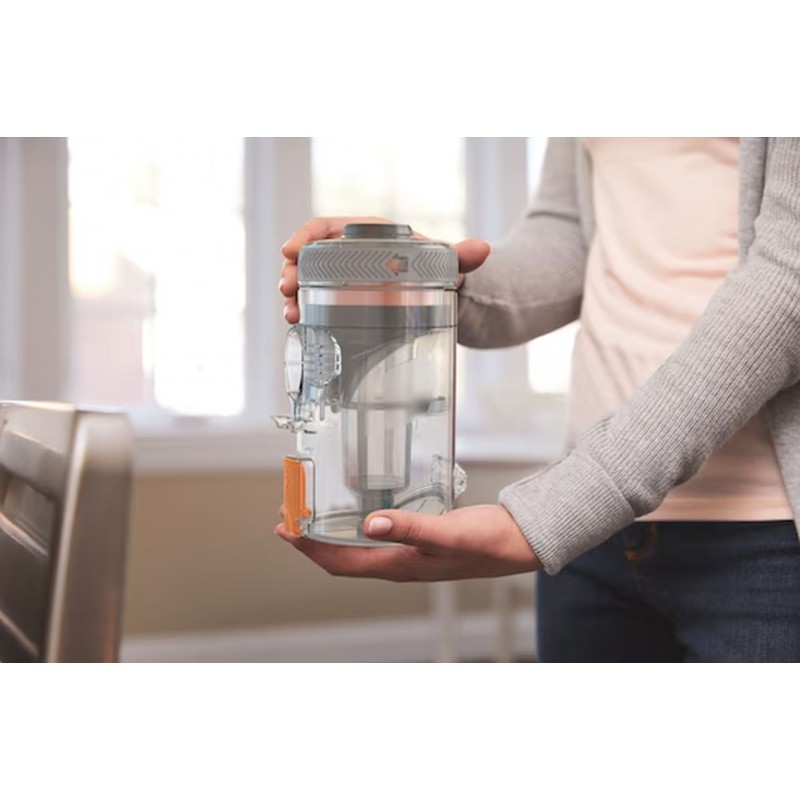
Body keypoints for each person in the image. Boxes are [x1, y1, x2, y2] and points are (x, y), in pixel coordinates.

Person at [276, 138, 800, 662]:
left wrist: (561, 509)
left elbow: (787, 277)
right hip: (593, 535)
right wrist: (425, 273)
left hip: (767, 533)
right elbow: (567, 234)